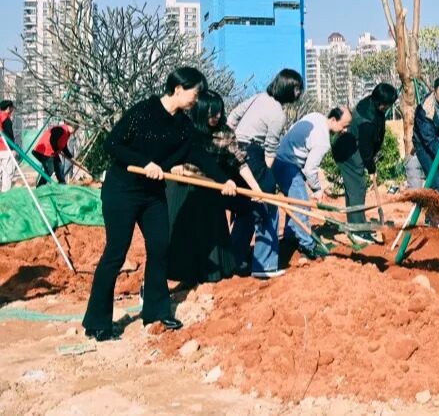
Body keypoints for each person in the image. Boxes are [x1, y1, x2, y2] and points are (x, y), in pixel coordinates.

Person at [82, 67, 206, 341]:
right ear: (178, 89)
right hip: (122, 191)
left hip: (152, 195)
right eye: (195, 93)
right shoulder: (143, 112)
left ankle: (157, 311)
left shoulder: (183, 127)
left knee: (160, 247)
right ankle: (97, 322)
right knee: (116, 252)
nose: (197, 99)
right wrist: (143, 163)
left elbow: (198, 156)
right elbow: (113, 145)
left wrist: (232, 183)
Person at [167, 90, 261, 285]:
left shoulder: (225, 133)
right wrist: (174, 165)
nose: (216, 117)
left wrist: (256, 190)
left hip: (210, 186)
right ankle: (180, 278)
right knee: (181, 233)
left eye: (219, 112)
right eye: (212, 113)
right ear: (200, 111)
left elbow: (240, 163)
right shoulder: (186, 127)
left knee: (211, 233)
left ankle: (211, 278)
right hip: (181, 186)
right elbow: (167, 153)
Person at [228, 69, 304, 279]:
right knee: (267, 208)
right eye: (296, 88)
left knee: (246, 210)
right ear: (287, 88)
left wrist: (229, 140)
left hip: (234, 151)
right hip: (253, 155)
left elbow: (233, 116)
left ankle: (236, 261)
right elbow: (270, 151)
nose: (298, 93)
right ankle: (265, 266)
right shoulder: (278, 114)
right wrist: (265, 180)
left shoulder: (259, 97)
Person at [274, 106, 352, 259]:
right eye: (344, 126)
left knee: (294, 202)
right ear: (333, 120)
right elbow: (310, 169)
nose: (345, 131)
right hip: (288, 165)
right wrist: (317, 190)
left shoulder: (315, 115)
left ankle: (291, 237)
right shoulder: (323, 140)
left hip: (280, 158)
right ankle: (308, 246)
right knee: (302, 204)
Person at [332, 83, 398, 244]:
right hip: (348, 152)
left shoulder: (371, 103)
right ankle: (358, 230)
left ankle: (355, 224)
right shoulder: (366, 120)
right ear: (379, 102)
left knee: (355, 188)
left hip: (351, 147)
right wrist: (371, 168)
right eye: (387, 104)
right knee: (358, 187)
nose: (388, 107)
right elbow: (366, 150)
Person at [413, 77, 439, 193]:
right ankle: (432, 211)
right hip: (424, 145)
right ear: (435, 92)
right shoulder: (425, 110)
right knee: (436, 183)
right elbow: (430, 141)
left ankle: (436, 210)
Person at [32, 122, 77, 186]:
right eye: (74, 128)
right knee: (50, 170)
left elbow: (64, 147)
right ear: (68, 125)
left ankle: (62, 185)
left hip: (52, 153)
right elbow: (52, 140)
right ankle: (40, 187)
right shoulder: (60, 129)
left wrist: (71, 158)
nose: (74, 130)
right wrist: (57, 149)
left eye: (76, 129)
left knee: (59, 168)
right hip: (44, 151)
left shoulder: (67, 134)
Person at [0, 100, 16, 192]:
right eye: (12, 108)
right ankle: (6, 195)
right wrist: (13, 148)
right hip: (6, 150)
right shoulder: (5, 119)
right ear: (8, 108)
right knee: (8, 173)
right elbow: (9, 135)